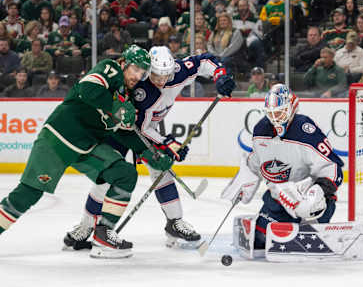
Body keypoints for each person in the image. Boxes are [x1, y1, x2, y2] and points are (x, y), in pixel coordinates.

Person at [0, 45, 173, 260]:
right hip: (59, 137)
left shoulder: (128, 98)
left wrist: (149, 154)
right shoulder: (110, 69)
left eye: (142, 72)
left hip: (89, 145)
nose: (138, 76)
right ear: (124, 63)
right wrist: (116, 107)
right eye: (136, 70)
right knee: (30, 192)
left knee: (125, 173)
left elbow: (125, 132)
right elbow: (88, 90)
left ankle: (104, 235)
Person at [63, 46, 236, 251]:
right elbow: (139, 127)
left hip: (147, 128)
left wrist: (220, 75)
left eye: (166, 75)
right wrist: (168, 143)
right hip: (120, 130)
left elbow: (204, 61)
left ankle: (174, 222)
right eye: (156, 75)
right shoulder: (140, 90)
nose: (162, 81)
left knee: (161, 169)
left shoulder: (179, 71)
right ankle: (86, 225)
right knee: (106, 177)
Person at [221, 84, 344, 249]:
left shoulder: (305, 130)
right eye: (271, 113)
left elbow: (333, 167)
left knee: (304, 243)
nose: (275, 118)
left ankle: (314, 220)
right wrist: (245, 179)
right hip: (279, 199)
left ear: (292, 107)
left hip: (307, 198)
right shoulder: (261, 129)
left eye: (279, 112)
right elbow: (255, 162)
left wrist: (319, 191)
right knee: (260, 240)